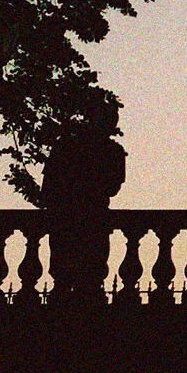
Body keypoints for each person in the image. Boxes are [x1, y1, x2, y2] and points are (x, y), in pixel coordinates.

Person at [42, 92, 127, 304]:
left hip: (70, 217)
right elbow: (113, 187)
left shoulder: (67, 146)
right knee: (86, 278)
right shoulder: (111, 151)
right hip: (90, 217)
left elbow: (49, 185)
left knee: (67, 277)